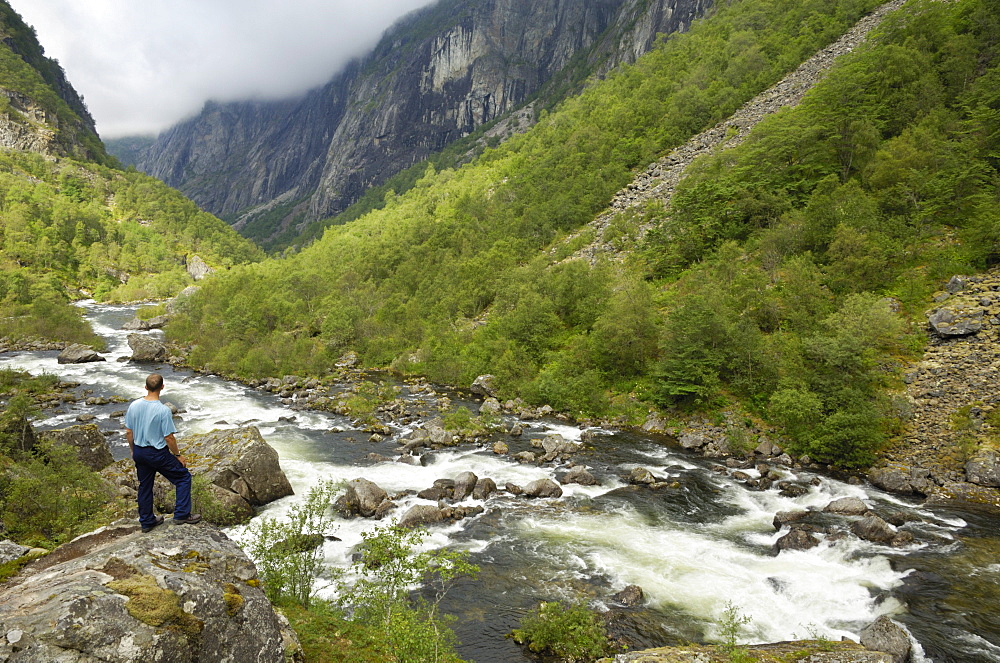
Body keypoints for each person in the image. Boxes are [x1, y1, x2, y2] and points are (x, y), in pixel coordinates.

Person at [124, 373, 201, 532]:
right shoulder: (163, 410)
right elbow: (169, 438)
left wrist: (133, 450)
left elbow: (129, 432)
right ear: (162, 387)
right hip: (157, 453)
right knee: (183, 477)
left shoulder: (134, 405)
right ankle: (181, 514)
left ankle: (146, 522)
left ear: (145, 387)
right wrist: (178, 455)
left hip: (139, 451)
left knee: (145, 486)